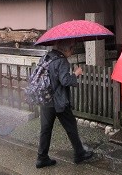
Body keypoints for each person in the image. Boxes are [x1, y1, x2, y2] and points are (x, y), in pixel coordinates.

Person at [36, 39, 94, 168]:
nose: (72, 52)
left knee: (45, 129)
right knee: (71, 126)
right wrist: (76, 74)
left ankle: (42, 157)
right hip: (59, 101)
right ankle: (79, 153)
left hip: (45, 99)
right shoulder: (61, 61)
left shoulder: (47, 56)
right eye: (72, 49)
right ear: (66, 49)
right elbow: (65, 81)